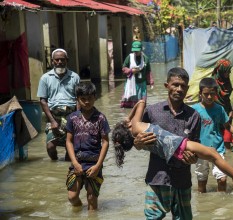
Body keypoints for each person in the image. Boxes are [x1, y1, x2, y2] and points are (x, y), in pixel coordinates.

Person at [112, 100, 233, 190]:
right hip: (180, 145)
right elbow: (141, 102)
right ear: (127, 127)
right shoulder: (137, 128)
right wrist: (129, 117)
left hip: (175, 150)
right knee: (214, 154)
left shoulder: (139, 141)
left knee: (212, 153)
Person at [133, 67, 201, 219]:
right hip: (157, 177)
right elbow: (137, 139)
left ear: (188, 89)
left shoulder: (194, 116)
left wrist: (193, 158)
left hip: (182, 179)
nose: (179, 89)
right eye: (175, 84)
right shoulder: (152, 111)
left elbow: (196, 148)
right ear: (166, 86)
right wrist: (137, 143)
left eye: (183, 86)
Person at [192, 77, 233, 193]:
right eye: (206, 94)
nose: (209, 97)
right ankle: (203, 207)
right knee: (202, 181)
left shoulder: (219, 109)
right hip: (200, 150)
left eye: (212, 94)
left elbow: (227, 125)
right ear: (200, 94)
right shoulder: (194, 110)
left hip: (217, 149)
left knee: (222, 179)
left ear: (216, 94)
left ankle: (221, 205)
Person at [65, 82, 110, 210]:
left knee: (91, 198)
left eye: (90, 98)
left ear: (95, 97)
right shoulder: (72, 118)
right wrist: (74, 163)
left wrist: (98, 166)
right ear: (77, 99)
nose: (87, 102)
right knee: (72, 197)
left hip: (94, 163)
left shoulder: (101, 118)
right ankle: (79, 209)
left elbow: (105, 142)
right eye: (83, 99)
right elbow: (69, 141)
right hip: (77, 162)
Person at [37, 48, 80, 160]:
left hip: (71, 115)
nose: (59, 62)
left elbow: (78, 98)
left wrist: (78, 117)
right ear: (52, 61)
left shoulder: (74, 77)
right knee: (50, 146)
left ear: (67, 60)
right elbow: (42, 100)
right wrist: (52, 121)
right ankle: (55, 163)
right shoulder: (45, 78)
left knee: (70, 147)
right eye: (57, 60)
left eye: (62, 59)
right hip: (53, 116)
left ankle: (67, 168)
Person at [120, 41, 154, 108]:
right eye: (134, 51)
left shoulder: (145, 59)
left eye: (137, 51)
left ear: (141, 49)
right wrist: (131, 71)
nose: (136, 52)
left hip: (142, 84)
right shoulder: (129, 57)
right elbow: (124, 68)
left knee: (141, 104)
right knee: (128, 105)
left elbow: (148, 71)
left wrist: (151, 81)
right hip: (131, 83)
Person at [211, 58, 233, 149]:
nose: (229, 74)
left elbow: (226, 99)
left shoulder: (226, 81)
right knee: (214, 144)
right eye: (227, 71)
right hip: (214, 117)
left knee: (227, 142)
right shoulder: (211, 84)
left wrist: (230, 111)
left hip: (227, 116)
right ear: (221, 70)